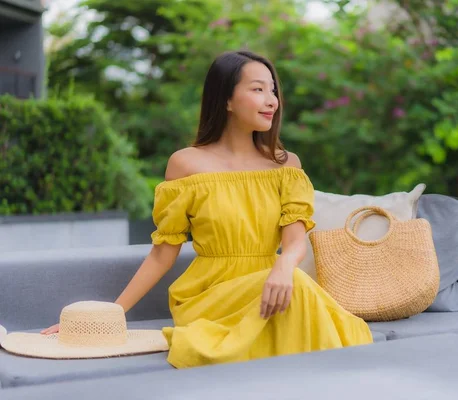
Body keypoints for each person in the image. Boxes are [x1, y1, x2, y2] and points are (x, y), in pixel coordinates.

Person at [41, 50, 373, 368]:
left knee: (296, 289)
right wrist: (111, 315)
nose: (272, 100)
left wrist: (285, 265)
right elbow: (163, 254)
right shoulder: (186, 165)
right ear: (226, 99)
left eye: (273, 90)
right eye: (258, 89)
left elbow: (296, 240)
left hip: (275, 285)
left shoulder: (285, 166)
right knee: (299, 292)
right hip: (211, 297)